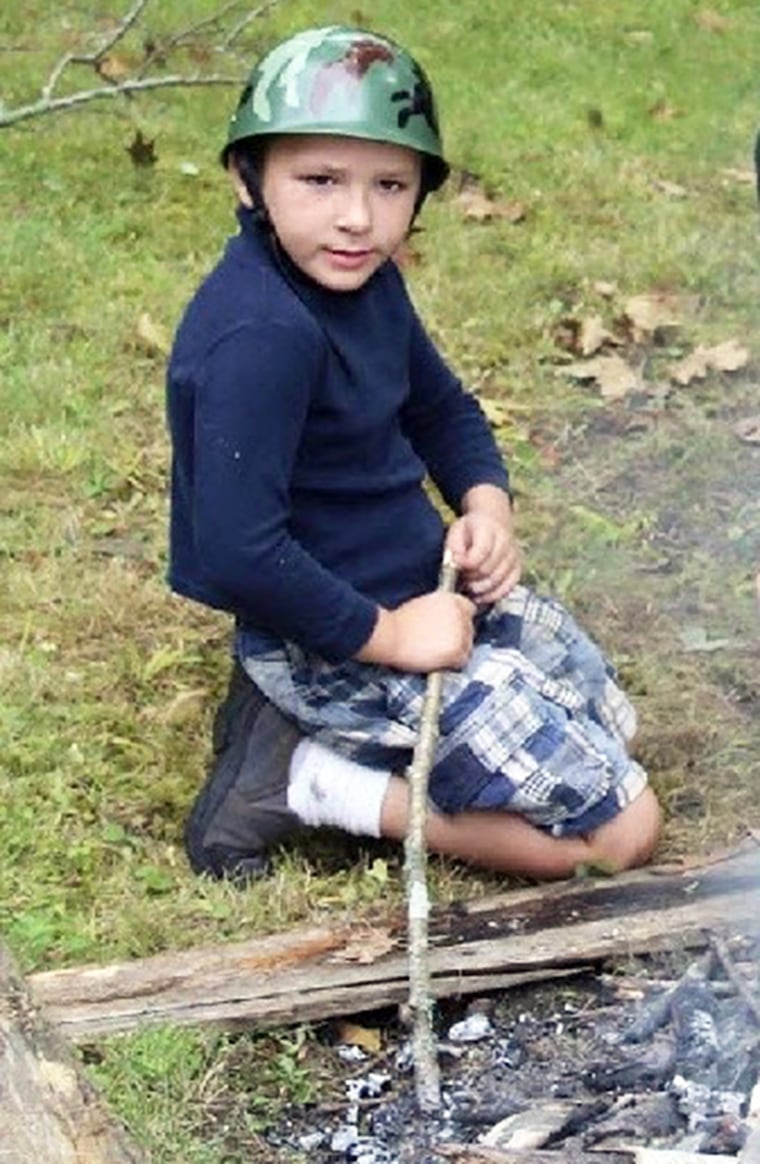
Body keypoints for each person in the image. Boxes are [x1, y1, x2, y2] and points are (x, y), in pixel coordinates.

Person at [166, 25, 661, 886]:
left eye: (389, 186)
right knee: (619, 832)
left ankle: (311, 732)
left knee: (610, 726)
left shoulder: (364, 277)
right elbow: (239, 551)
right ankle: (307, 783)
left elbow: (441, 407)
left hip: (423, 591)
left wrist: (485, 506)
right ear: (247, 180)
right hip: (334, 632)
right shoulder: (261, 335)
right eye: (319, 180)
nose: (358, 217)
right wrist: (392, 635)